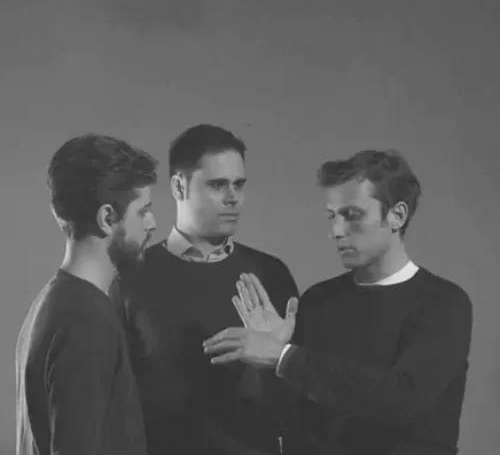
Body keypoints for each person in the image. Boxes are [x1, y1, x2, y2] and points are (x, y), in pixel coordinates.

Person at [204, 149, 473, 455]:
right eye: (332, 215)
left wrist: (286, 357)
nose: (336, 231)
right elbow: (287, 418)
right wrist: (269, 363)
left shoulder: (444, 304)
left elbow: (401, 400)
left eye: (352, 215)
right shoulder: (319, 301)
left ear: (397, 215)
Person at [110, 124, 299, 455]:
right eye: (217, 185)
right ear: (178, 186)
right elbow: (114, 404)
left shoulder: (271, 274)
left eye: (239, 185)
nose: (233, 198)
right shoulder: (130, 279)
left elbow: (300, 408)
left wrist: (276, 360)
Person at [16, 134, 158, 455]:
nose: (152, 223)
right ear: (107, 218)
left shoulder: (49, 306)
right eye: (143, 211)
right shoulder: (86, 323)